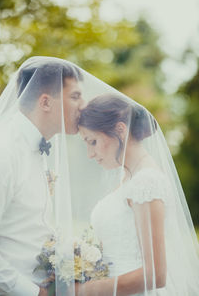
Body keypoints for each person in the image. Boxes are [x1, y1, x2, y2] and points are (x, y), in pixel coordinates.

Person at [76, 93, 199, 295]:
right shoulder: (128, 177)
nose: (90, 154)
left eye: (93, 141)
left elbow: (155, 275)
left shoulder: (147, 182)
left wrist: (83, 291)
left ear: (120, 130)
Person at [0, 57, 84, 296]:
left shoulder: (42, 149)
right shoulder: (4, 151)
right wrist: (32, 292)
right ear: (45, 102)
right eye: (75, 96)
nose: (84, 105)